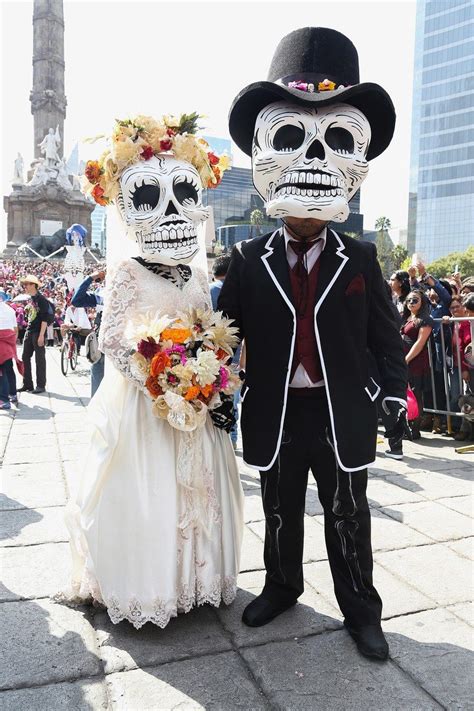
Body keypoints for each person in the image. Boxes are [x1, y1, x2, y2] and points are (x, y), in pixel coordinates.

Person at [219, 27, 407, 661]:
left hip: (338, 405)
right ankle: (282, 586)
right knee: (277, 508)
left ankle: (361, 609)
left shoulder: (360, 257)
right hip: (278, 406)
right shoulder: (247, 259)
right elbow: (226, 334)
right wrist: (214, 389)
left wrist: (384, 392)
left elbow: (386, 333)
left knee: (348, 512)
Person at [62, 113, 243, 629]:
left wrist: (202, 374)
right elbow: (110, 339)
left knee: (200, 491)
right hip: (147, 405)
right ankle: (148, 586)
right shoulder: (128, 271)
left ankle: (196, 581)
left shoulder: (193, 272)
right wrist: (160, 379)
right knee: (148, 493)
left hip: (194, 400)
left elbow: (203, 325)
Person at [210, 255, 241, 449]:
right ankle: (232, 438)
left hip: (207, 358)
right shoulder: (241, 291)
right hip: (235, 358)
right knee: (231, 401)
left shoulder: (207, 291)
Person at [400, 290, 433, 440]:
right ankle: (408, 424)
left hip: (417, 361)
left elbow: (420, 343)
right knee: (406, 394)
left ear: (422, 302)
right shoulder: (407, 317)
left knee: (416, 394)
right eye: (409, 300)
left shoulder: (425, 319)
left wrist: (406, 359)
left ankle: (415, 429)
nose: (411, 303)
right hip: (404, 360)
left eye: (415, 300)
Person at [71, 270, 106, 396]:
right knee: (97, 374)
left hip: (120, 342)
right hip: (101, 341)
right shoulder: (102, 294)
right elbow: (76, 301)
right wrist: (90, 278)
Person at [18, 275, 51, 394]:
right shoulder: (31, 299)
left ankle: (41, 385)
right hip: (30, 330)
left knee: (40, 359)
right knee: (25, 357)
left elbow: (45, 318)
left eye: (26, 284)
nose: (24, 286)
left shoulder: (42, 299)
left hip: (38, 332)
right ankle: (27, 384)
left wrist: (42, 335)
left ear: (33, 285)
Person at [0, 291, 21, 409]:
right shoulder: (10, 310)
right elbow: (15, 329)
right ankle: (13, 394)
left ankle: (3, 400)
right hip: (9, 340)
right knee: (9, 368)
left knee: (1, 371)